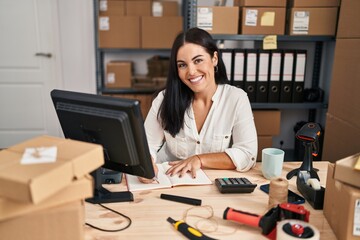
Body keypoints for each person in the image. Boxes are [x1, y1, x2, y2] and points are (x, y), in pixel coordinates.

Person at [140, 27, 258, 183]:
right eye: (182, 65)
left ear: (214, 58)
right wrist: (145, 165)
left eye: (198, 60)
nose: (191, 72)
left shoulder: (236, 99)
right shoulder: (164, 99)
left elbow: (247, 154)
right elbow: (146, 146)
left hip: (213, 184)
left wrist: (200, 159)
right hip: (168, 181)